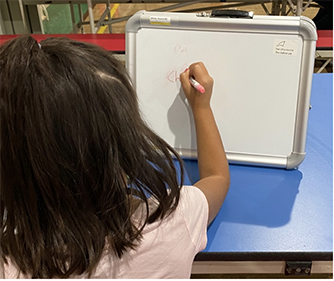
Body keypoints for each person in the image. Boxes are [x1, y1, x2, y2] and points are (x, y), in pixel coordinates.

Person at [0, 35, 230, 278]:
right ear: (124, 148)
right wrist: (202, 106)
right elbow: (217, 178)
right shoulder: (173, 221)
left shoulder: (10, 266)